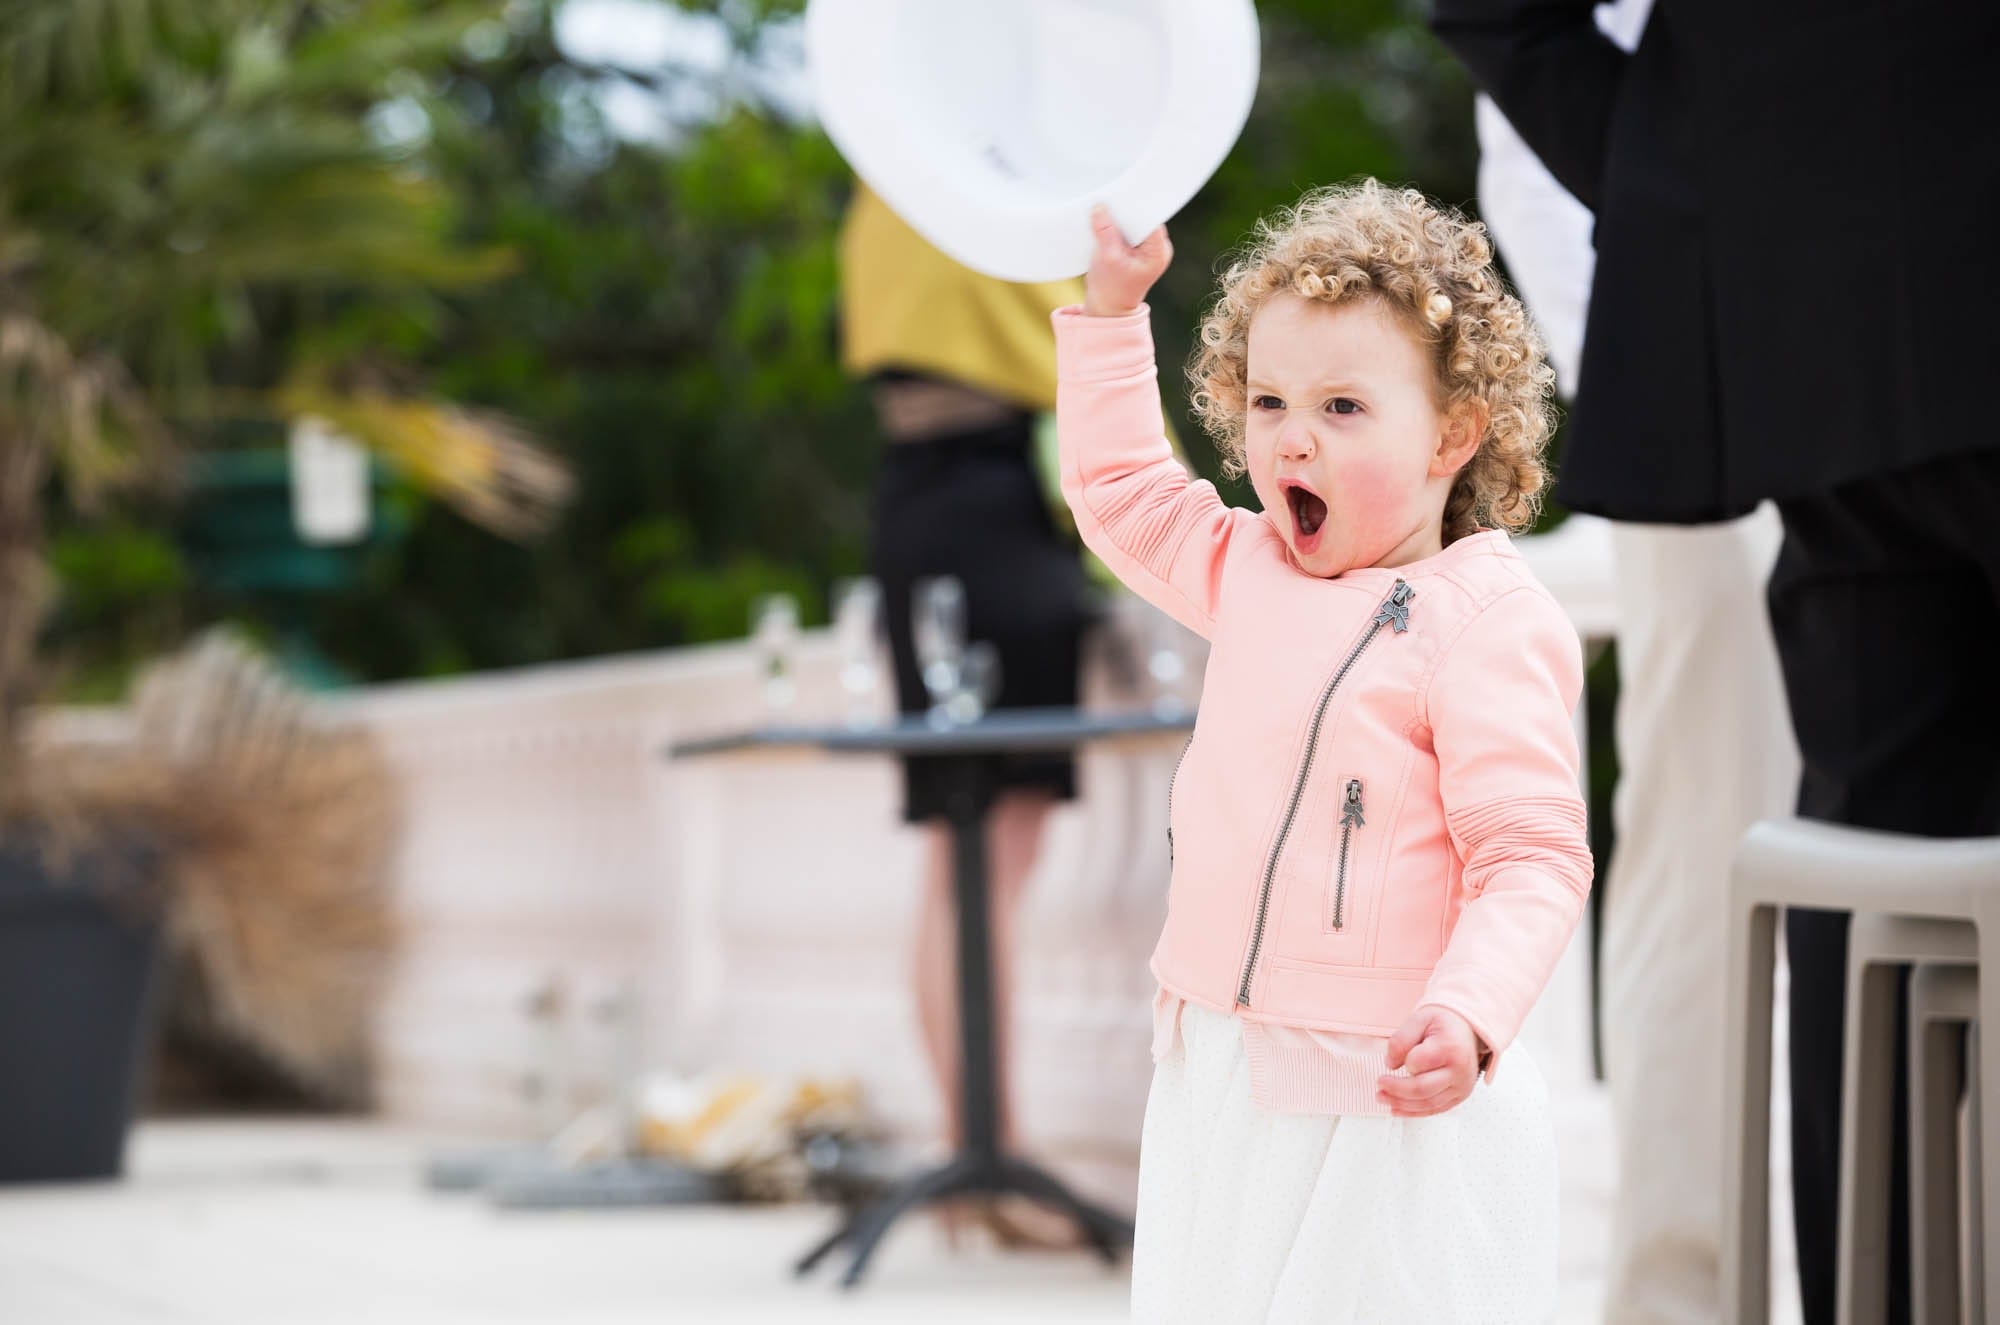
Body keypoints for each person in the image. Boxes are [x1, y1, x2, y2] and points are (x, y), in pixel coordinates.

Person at [1430, 2, 2000, 1317]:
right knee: (1769, 845)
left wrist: (1716, 200)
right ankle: (1685, 1288)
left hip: (1793, 332)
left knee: (1867, 851)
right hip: (1751, 325)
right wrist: (1683, 199)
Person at [1059, 180, 1590, 1320]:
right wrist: (1110, 315)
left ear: (1453, 433)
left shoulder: (1488, 621)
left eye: (1342, 406)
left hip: (1382, 1090)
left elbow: (1531, 857)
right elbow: (1122, 491)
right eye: (1268, 401)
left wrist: (1470, 1011)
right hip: (1219, 1062)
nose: (1291, 435)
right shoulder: (1246, 567)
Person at [1468, 2, 1801, 1316]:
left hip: (1911, 360)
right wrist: (1672, 338)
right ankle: (1680, 1292)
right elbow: (1520, 60)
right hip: (1702, 387)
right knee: (1700, 850)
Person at [837, 183, 1095, 1248]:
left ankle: (973, 1150)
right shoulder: (977, 180)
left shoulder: (878, 190)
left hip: (914, 505)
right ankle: (992, 1156)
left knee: (960, 859)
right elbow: (1083, 341)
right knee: (987, 860)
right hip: (993, 510)